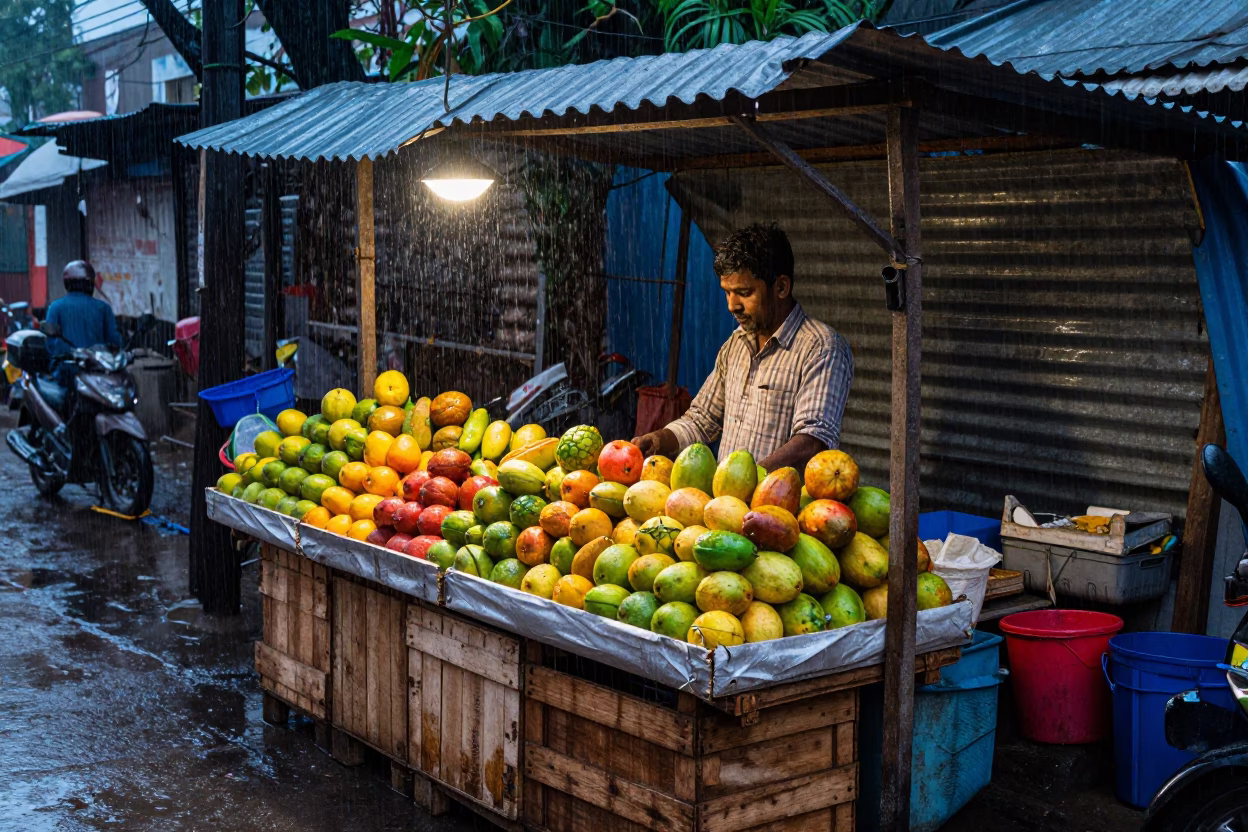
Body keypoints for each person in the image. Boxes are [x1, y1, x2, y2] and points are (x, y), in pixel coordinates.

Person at [634, 222, 853, 472]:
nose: (732, 306)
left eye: (744, 293)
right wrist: (659, 440)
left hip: (781, 508)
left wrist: (748, 480)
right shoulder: (736, 344)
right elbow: (701, 419)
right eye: (727, 293)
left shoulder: (821, 348)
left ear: (781, 287)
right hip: (727, 505)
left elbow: (812, 443)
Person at [44, 260, 121, 355]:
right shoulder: (103, 308)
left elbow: (50, 345)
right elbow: (115, 341)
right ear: (90, 283)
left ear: (67, 283)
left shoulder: (55, 307)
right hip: (97, 366)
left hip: (66, 366)